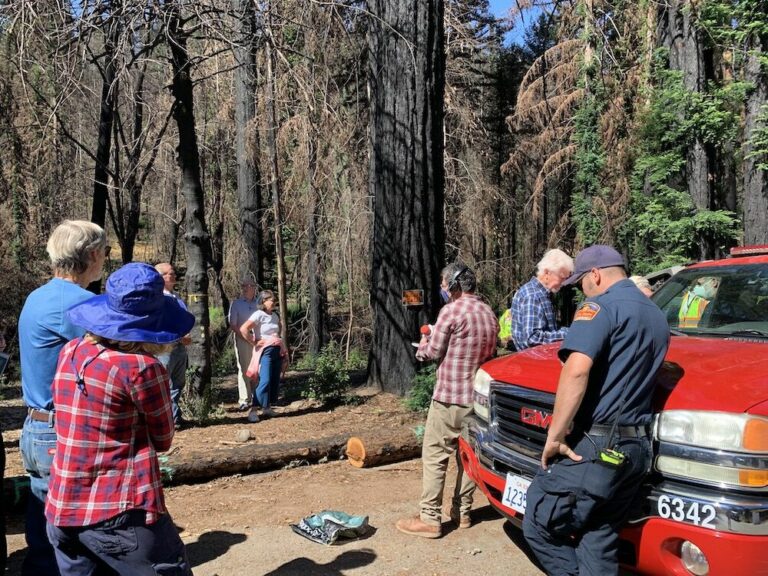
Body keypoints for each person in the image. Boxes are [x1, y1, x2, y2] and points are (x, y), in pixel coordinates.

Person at [522, 245, 669, 575]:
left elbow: (576, 370)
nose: (580, 290)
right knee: (598, 535)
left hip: (598, 446)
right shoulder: (656, 314)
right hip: (637, 451)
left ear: (596, 275)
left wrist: (556, 436)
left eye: (580, 283)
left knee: (539, 521)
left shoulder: (599, 308)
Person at [45, 262, 195, 575]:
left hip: (62, 507)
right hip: (119, 512)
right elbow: (164, 439)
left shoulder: (72, 350)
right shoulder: (142, 368)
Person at [17, 219, 107, 576]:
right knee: (73, 538)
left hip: (37, 428)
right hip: (63, 432)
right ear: (93, 255)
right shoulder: (82, 305)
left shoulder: (38, 297)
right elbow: (118, 361)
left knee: (44, 532)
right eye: (105, 252)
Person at [396, 263, 498, 538]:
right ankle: (462, 511)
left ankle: (430, 517)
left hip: (449, 397)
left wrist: (423, 341)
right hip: (476, 401)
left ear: (454, 285)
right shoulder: (488, 312)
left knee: (435, 455)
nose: (442, 288)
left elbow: (431, 352)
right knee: (467, 457)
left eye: (444, 284)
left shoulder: (451, 310)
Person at [511, 248, 574, 351]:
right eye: (562, 277)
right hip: (532, 362)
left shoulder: (541, 294)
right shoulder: (533, 296)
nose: (564, 283)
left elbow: (550, 330)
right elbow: (532, 338)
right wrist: (568, 333)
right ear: (547, 273)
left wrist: (572, 330)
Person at [240, 290, 287, 423]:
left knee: (273, 380)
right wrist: (254, 342)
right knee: (264, 380)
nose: (273, 302)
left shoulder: (275, 315)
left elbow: (278, 331)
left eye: (274, 299)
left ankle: (267, 407)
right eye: (270, 299)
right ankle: (253, 409)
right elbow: (244, 329)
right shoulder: (258, 314)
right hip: (265, 351)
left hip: (277, 349)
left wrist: (284, 350)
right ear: (263, 301)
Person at [155, 262, 190, 429]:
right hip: (164, 348)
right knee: (164, 385)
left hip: (180, 348)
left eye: (174, 273)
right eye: (170, 273)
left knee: (177, 383)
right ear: (160, 277)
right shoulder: (157, 299)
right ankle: (164, 421)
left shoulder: (176, 298)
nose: (174, 276)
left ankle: (175, 418)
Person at [229, 276, 261, 410]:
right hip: (243, 340)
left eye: (251, 286)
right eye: (245, 286)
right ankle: (244, 399)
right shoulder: (236, 304)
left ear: (254, 288)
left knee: (257, 368)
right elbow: (233, 324)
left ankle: (257, 397)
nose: (248, 288)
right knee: (244, 368)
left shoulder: (259, 303)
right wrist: (246, 337)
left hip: (259, 340)